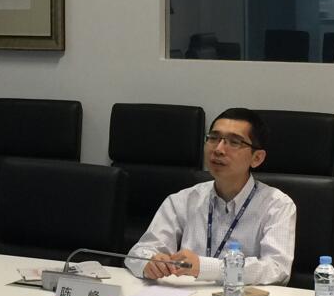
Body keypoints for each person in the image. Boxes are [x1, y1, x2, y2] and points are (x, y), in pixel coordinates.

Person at [125, 108, 296, 285]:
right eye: (213, 138)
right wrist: (149, 263)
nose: (219, 149)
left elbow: (277, 270)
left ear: (257, 158)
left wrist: (205, 267)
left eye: (234, 142)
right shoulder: (183, 200)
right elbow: (137, 253)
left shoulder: (277, 205)